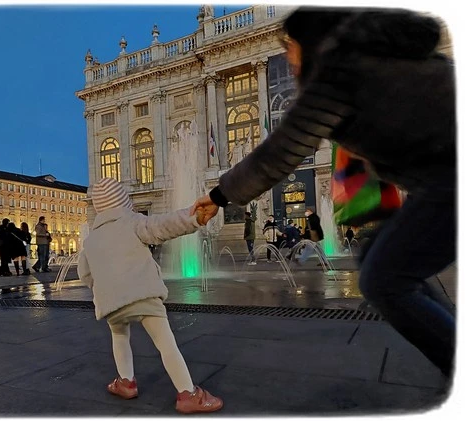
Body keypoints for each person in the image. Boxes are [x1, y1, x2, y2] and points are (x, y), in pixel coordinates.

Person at [191, 8, 455, 377]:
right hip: (441, 179)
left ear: (310, 43)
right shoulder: (380, 58)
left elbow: (282, 150)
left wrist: (218, 195)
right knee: (380, 257)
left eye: (290, 46)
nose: (289, 58)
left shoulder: (337, 73)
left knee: (384, 279)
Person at [77, 177, 222, 414]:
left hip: (112, 301)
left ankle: (126, 382)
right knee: (165, 343)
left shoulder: (91, 240)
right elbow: (164, 226)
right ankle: (188, 393)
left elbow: (85, 273)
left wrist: (102, 287)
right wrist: (194, 217)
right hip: (143, 293)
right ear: (124, 203)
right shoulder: (132, 221)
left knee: (119, 336)